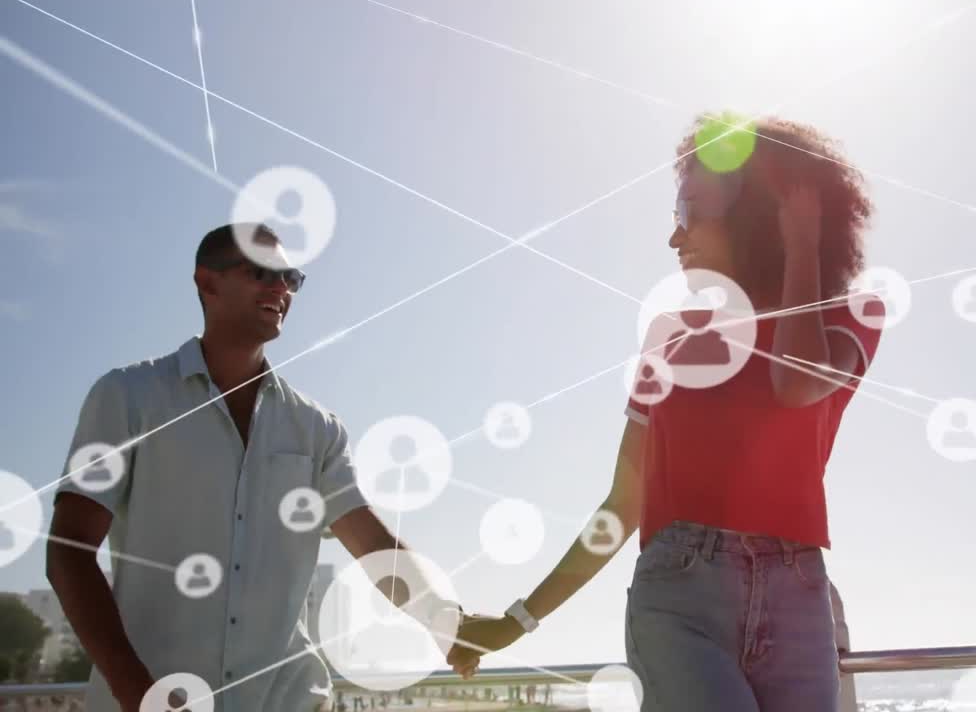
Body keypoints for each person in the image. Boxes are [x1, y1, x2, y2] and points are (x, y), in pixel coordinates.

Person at [447, 114, 883, 712]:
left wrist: (801, 248)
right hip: (681, 596)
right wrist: (517, 621)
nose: (674, 239)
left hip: (799, 593)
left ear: (754, 211)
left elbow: (794, 383)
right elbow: (621, 505)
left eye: (686, 214)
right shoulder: (671, 335)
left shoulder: (848, 315)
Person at [46, 224, 456, 712]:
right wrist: (138, 691)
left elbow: (372, 546)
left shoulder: (315, 428)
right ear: (207, 283)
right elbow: (69, 553)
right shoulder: (128, 397)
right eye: (261, 272)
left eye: (291, 278)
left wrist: (450, 623)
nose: (281, 289)